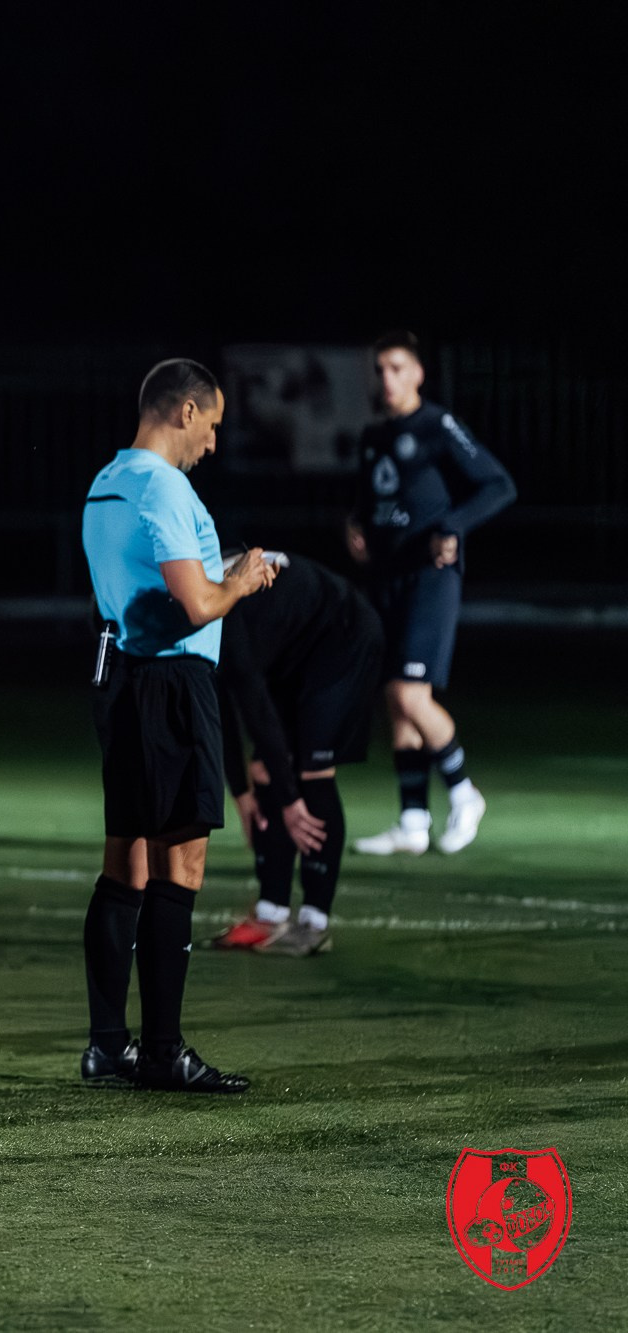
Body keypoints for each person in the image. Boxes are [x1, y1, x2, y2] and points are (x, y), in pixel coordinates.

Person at [79, 358, 275, 1096]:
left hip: (122, 678)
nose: (215, 443)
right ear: (185, 411)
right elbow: (195, 604)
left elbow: (140, 580)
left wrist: (214, 577)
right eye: (214, 424)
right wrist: (243, 579)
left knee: (124, 862)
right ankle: (163, 1050)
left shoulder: (107, 480)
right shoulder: (164, 484)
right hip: (172, 680)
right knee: (178, 868)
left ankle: (107, 1044)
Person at [347, 331, 516, 857]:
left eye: (397, 368)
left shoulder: (437, 424)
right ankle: (414, 821)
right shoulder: (373, 436)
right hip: (388, 577)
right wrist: (355, 526)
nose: (387, 379)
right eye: (380, 370)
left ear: (418, 373)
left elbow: (498, 485)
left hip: (430, 577)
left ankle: (465, 792)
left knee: (409, 695)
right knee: (394, 704)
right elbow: (373, 499)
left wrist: (452, 527)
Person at [207, 551, 384, 956]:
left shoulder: (222, 621)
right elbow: (220, 712)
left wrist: (289, 801)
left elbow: (257, 714)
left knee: (312, 771)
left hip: (344, 638)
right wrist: (243, 794)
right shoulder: (197, 612)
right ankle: (270, 915)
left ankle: (315, 922)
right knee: (264, 771)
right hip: (293, 650)